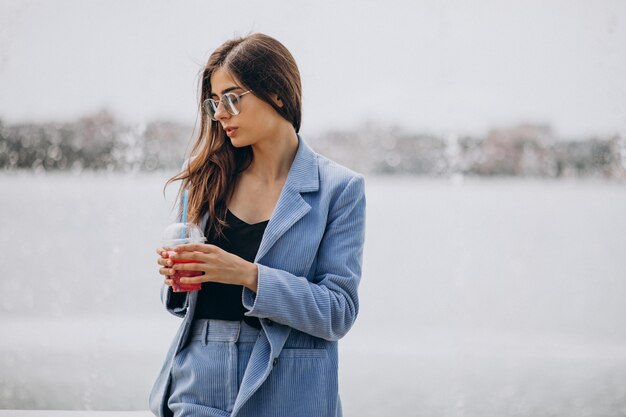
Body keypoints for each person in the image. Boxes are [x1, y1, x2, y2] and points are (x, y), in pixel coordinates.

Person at [149, 33, 366, 417]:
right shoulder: (203, 179)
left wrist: (248, 275)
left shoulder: (340, 189)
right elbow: (186, 304)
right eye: (214, 103)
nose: (220, 114)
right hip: (199, 380)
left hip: (291, 389)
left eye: (232, 98)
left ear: (278, 94)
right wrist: (178, 279)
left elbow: (338, 312)